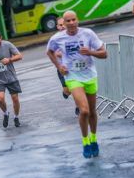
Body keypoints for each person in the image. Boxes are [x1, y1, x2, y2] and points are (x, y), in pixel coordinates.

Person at [46, 10, 107, 158]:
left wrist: (91, 52)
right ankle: (85, 141)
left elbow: (104, 53)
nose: (71, 23)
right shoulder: (57, 38)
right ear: (64, 23)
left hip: (90, 75)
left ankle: (93, 139)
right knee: (84, 110)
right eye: (68, 21)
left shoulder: (88, 34)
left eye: (73, 20)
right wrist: (59, 66)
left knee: (92, 111)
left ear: (77, 20)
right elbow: (49, 52)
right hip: (73, 77)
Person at [54, 17, 80, 116]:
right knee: (68, 90)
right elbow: (53, 53)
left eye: (63, 24)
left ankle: (78, 106)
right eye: (60, 25)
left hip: (74, 67)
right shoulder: (55, 39)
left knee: (75, 88)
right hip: (62, 69)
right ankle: (65, 92)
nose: (62, 27)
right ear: (57, 27)